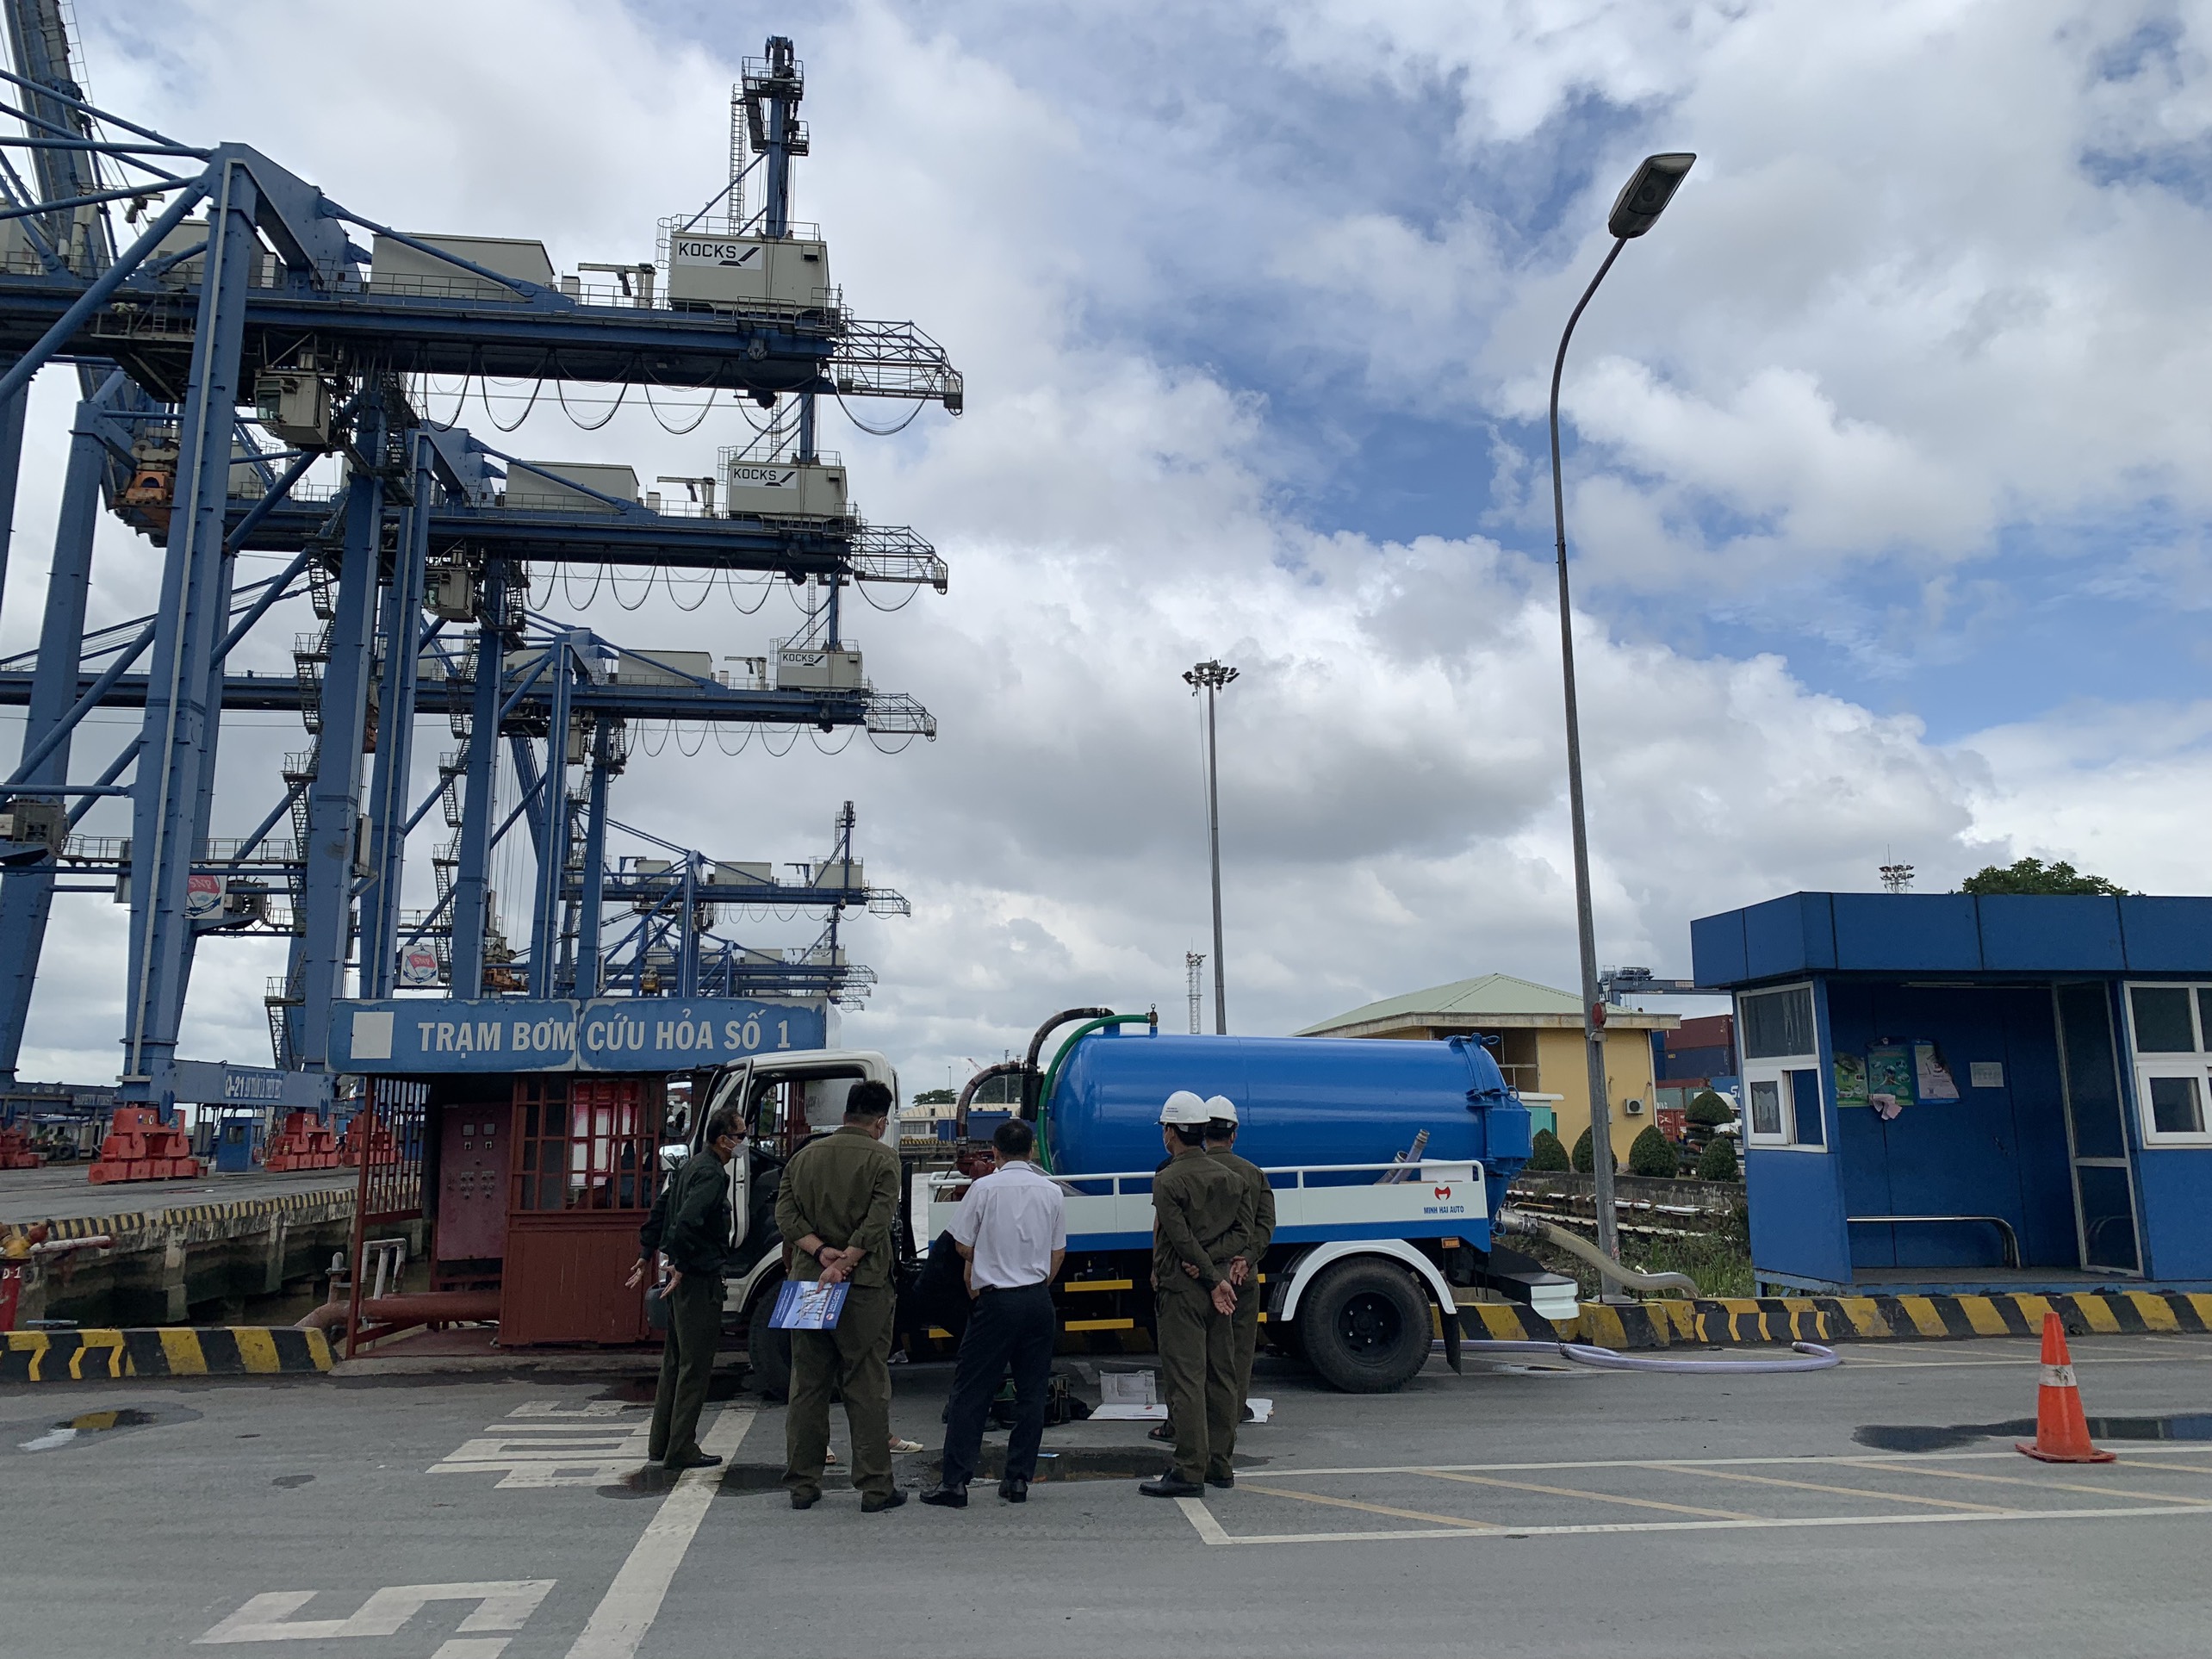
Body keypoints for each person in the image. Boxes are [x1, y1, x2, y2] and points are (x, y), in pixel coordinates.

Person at [775, 1078, 907, 1513]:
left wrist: (819, 1252)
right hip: (862, 1285)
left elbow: (786, 1212)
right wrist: (847, 1260)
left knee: (808, 1385)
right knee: (866, 1383)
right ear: (880, 1121)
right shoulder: (884, 1159)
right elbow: (879, 1220)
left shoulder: (803, 1157)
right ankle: (874, 1488)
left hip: (810, 1281)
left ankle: (803, 1485)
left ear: (846, 1113)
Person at [921, 1118, 1067, 1509]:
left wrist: (989, 1256)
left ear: (996, 1153)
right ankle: (1017, 1479)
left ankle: (955, 1483)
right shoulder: (1051, 1192)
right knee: (1032, 1393)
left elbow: (961, 1245)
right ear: (1032, 1151)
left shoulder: (983, 1189)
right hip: (1038, 1300)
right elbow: (1058, 1253)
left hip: (996, 1301)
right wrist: (1035, 1280)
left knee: (972, 1391)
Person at [1139, 1090, 1247, 1499]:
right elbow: (1243, 1233)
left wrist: (1201, 1270)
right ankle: (1221, 1465)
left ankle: (1188, 1469)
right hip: (1221, 1289)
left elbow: (1179, 1238)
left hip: (1183, 1290)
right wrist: (1217, 1272)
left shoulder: (1167, 1179)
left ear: (1171, 1132)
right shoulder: (1233, 1179)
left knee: (1186, 1380)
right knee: (1222, 1374)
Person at [628, 1106, 738, 1470]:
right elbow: (689, 1218)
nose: (743, 1142)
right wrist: (679, 1260)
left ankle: (660, 1444)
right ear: (723, 1140)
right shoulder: (712, 1175)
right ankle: (682, 1449)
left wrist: (648, 1253)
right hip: (698, 1279)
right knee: (695, 1366)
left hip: (681, 1279)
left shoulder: (689, 1166)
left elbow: (662, 1209)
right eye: (740, 1136)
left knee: (674, 1363)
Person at [1204, 1096, 1273, 1428]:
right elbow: (1265, 1225)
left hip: (1202, 1275)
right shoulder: (1253, 1174)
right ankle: (1233, 1410)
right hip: (1242, 1275)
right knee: (1241, 1347)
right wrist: (1246, 1259)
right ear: (1234, 1134)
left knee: (1202, 1347)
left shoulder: (1186, 1173)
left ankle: (1200, 1412)